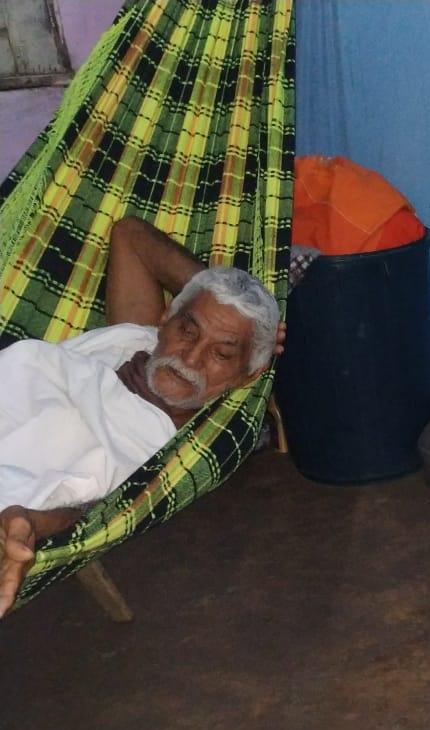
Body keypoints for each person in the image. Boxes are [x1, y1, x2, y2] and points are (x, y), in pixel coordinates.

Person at [0, 216, 282, 618]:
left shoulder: (153, 446)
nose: (190, 358)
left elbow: (82, 507)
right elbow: (130, 235)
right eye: (189, 330)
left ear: (248, 375)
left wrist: (25, 521)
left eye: (222, 353)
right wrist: (227, 298)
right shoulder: (136, 338)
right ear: (166, 319)